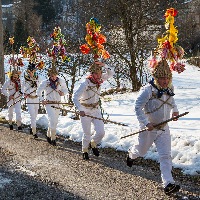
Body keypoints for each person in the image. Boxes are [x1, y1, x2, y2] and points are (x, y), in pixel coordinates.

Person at [126, 59, 180, 195]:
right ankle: (131, 154)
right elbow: (137, 107)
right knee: (141, 151)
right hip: (149, 128)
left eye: (167, 78)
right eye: (162, 78)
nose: (165, 81)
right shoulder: (147, 90)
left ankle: (168, 183)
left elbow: (171, 100)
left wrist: (175, 110)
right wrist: (146, 123)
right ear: (156, 78)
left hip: (164, 128)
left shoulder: (170, 88)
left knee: (165, 156)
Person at [73, 61, 115, 160]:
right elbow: (75, 97)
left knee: (101, 132)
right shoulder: (85, 83)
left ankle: (93, 143)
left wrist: (104, 65)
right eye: (96, 73)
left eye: (100, 73)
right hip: (85, 110)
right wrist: (80, 109)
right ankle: (85, 150)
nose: (99, 75)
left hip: (96, 109)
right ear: (92, 73)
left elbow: (111, 73)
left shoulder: (100, 79)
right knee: (87, 133)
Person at [36, 67, 68, 146]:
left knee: (55, 121)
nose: (53, 77)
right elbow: (38, 92)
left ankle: (48, 134)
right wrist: (42, 100)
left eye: (55, 75)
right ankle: (53, 138)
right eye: (52, 76)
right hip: (49, 103)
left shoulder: (61, 81)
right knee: (52, 119)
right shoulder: (45, 82)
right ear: (49, 75)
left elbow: (66, 90)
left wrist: (63, 93)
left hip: (57, 103)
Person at [21, 63, 41, 138]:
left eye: (32, 72)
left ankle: (31, 127)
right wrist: (25, 93)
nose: (30, 73)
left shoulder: (38, 78)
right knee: (32, 115)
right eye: (29, 72)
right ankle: (34, 132)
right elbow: (22, 89)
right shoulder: (25, 79)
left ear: (34, 71)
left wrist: (35, 81)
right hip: (29, 99)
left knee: (35, 115)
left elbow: (40, 87)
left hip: (36, 98)